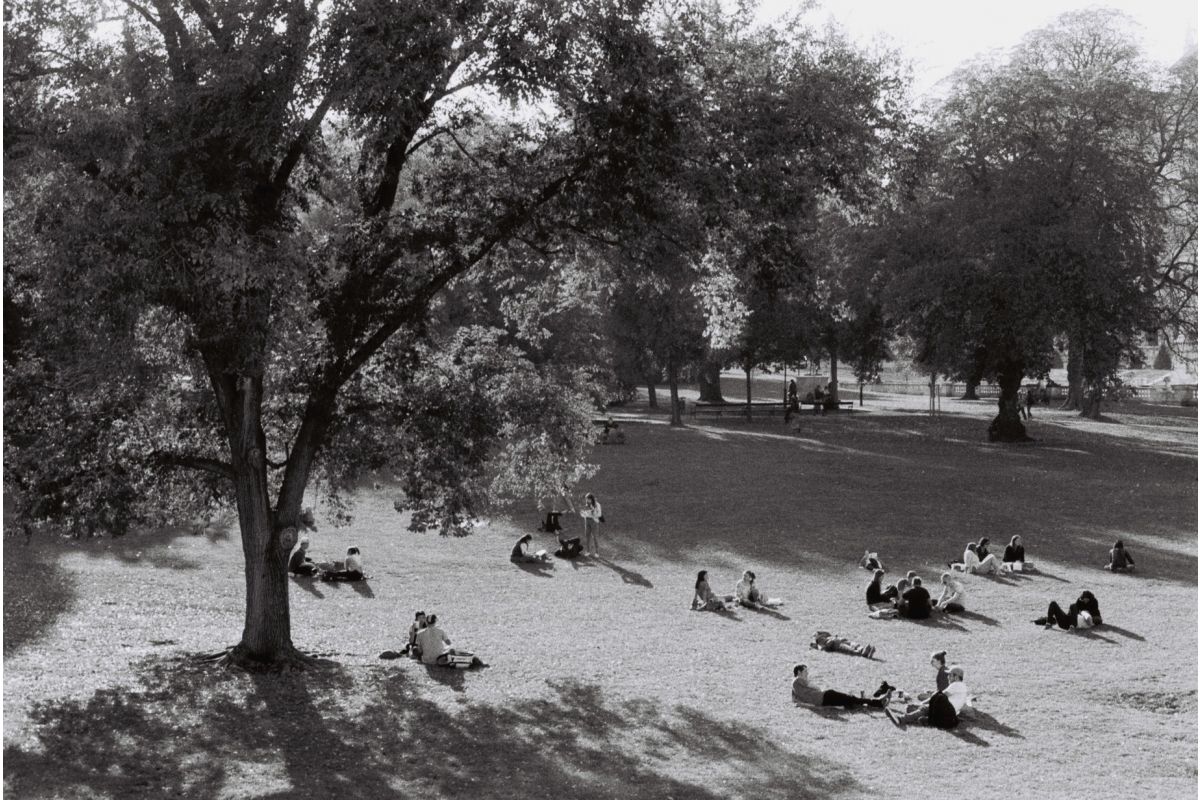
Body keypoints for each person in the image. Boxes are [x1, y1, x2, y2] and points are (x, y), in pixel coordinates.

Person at [887, 665, 970, 729]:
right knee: (911, 707)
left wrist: (922, 703)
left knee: (925, 707)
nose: (948, 677)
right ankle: (921, 718)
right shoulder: (962, 686)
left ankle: (901, 719)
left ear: (956, 677)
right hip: (948, 713)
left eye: (950, 675)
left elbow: (938, 697)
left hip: (946, 711)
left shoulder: (956, 684)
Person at [792, 664, 889, 710]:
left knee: (849, 700)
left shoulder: (795, 688)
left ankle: (873, 703)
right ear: (799, 672)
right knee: (850, 698)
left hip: (823, 701)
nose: (807, 673)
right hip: (825, 696)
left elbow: (796, 701)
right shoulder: (798, 680)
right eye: (805, 671)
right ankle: (877, 703)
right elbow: (815, 687)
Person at [414, 614, 486, 668]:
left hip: (426, 660)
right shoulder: (440, 631)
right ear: (435, 622)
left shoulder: (419, 633)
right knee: (452, 650)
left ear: (426, 622)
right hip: (439, 659)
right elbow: (448, 643)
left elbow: (418, 649)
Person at [1034, 590, 1103, 630]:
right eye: (1084, 600)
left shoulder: (1093, 603)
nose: (1085, 601)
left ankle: (1072, 628)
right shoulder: (1080, 601)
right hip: (1068, 620)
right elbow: (1075, 609)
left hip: (1075, 622)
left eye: (1086, 600)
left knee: (1073, 606)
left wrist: (1084, 613)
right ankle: (1048, 623)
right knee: (1053, 603)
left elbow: (1091, 619)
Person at [810, 631, 876, 659]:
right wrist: (829, 642)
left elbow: (828, 633)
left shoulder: (825, 636)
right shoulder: (820, 644)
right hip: (837, 644)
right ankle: (863, 653)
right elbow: (825, 648)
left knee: (853, 644)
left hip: (840, 639)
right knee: (849, 649)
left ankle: (864, 650)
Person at [580, 493, 603, 557]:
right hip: (587, 521)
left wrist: (593, 512)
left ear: (591, 499)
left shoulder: (597, 505)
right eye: (586, 499)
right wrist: (583, 514)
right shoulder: (586, 505)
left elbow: (599, 514)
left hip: (594, 522)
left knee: (595, 537)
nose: (587, 501)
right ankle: (588, 551)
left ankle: (597, 552)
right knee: (587, 537)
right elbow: (584, 514)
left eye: (588, 499)